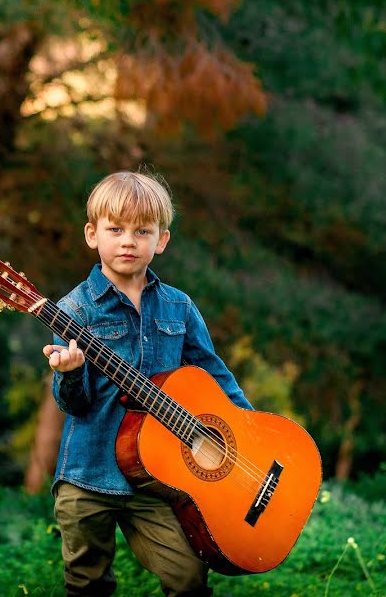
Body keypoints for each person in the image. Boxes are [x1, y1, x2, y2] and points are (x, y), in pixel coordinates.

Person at [42, 171, 253, 597]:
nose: (127, 241)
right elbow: (75, 405)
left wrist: (248, 431)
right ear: (91, 234)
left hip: (161, 480)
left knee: (189, 578)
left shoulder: (179, 305)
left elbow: (214, 376)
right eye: (115, 229)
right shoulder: (72, 311)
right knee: (87, 584)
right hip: (88, 475)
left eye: (142, 231)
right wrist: (69, 373)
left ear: (161, 241)